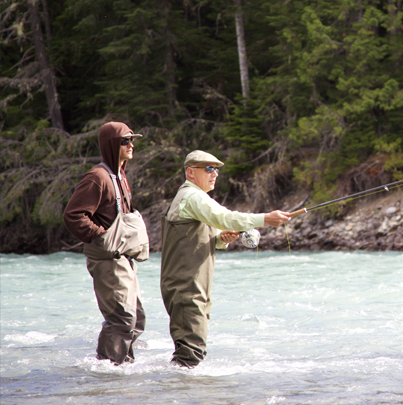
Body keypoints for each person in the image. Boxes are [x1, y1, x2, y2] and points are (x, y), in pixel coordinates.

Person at [160, 150, 291, 368]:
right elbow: (225, 217)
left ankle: (180, 391)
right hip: (185, 285)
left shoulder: (194, 198)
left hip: (192, 283)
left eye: (217, 169)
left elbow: (197, 237)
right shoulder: (193, 197)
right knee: (191, 352)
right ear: (191, 172)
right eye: (209, 169)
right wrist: (265, 219)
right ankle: (177, 393)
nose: (215, 174)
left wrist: (221, 239)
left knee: (190, 350)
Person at [63, 121, 146, 365]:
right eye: (125, 141)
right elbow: (73, 215)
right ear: (112, 144)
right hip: (108, 260)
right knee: (121, 318)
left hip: (124, 258)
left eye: (133, 139)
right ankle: (108, 371)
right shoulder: (97, 177)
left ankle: (120, 365)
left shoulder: (120, 174)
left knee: (136, 318)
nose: (131, 145)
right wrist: (101, 237)